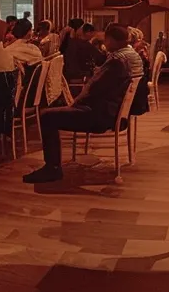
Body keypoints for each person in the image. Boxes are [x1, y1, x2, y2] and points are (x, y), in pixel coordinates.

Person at [21, 23, 138, 184]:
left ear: (110, 40)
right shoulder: (122, 59)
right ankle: (52, 166)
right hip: (109, 112)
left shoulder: (115, 62)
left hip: (99, 116)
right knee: (53, 113)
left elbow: (93, 89)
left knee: (46, 115)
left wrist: (76, 103)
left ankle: (52, 168)